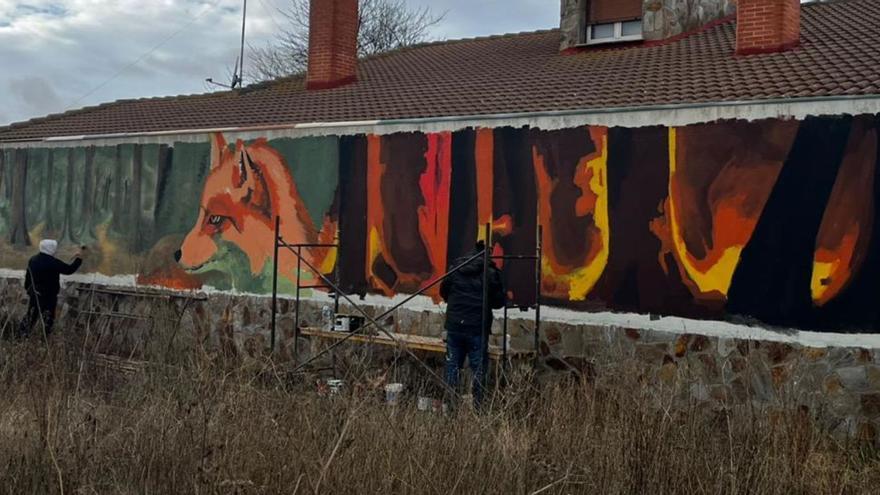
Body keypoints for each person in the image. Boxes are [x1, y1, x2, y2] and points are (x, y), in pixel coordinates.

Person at [440, 241, 505, 409]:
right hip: (477, 327)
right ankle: (478, 409)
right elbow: (499, 302)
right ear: (487, 254)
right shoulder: (490, 273)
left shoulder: (456, 268)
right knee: (478, 369)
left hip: (455, 326)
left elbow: (443, 291)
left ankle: (450, 407)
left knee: (452, 366)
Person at [18, 240, 84, 338]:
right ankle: (44, 338)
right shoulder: (52, 262)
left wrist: (28, 289)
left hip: (35, 293)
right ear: (51, 248)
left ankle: (21, 336)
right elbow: (69, 270)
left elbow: (28, 276)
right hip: (48, 295)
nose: (56, 250)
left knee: (31, 316)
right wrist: (79, 259)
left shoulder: (33, 259)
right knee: (48, 318)